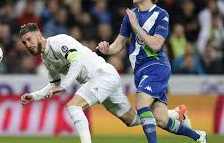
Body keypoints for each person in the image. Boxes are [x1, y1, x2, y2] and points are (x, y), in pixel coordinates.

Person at [20, 23, 190, 143]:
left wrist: (64, 86)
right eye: (24, 42)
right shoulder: (46, 58)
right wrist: (34, 96)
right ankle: (177, 113)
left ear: (39, 35)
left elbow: (77, 61)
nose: (27, 44)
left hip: (102, 75)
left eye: (29, 39)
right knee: (132, 120)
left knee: (73, 106)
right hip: (103, 79)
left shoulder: (58, 42)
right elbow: (54, 83)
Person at [97, 0, 207, 143]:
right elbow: (119, 43)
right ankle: (199, 136)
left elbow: (156, 44)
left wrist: (136, 26)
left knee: (141, 103)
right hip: (140, 71)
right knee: (161, 119)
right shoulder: (131, 15)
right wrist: (108, 49)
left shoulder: (161, 15)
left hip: (156, 66)